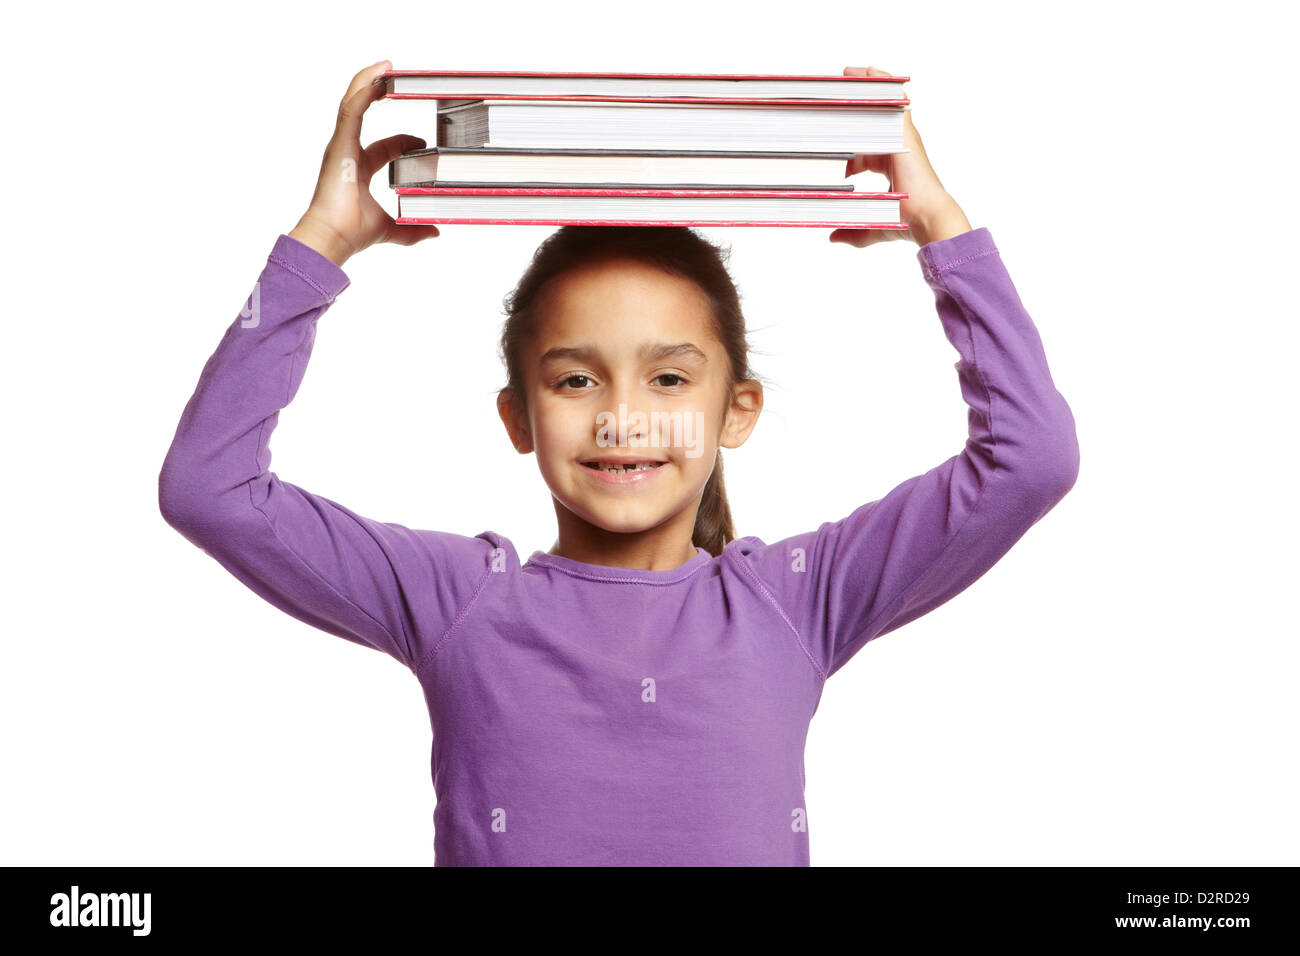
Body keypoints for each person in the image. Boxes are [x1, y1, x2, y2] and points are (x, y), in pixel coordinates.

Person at [158, 60, 1080, 866]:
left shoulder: (796, 600)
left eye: (670, 378)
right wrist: (321, 243)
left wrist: (942, 230)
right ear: (518, 417)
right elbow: (210, 489)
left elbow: (1030, 458)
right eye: (574, 382)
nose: (623, 420)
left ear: (736, 411)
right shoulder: (458, 601)